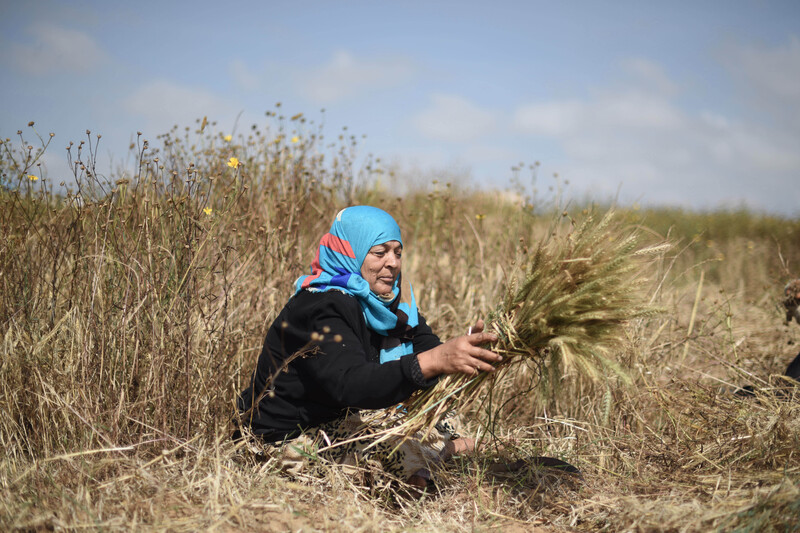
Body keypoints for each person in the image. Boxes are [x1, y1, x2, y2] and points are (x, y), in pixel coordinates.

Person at [235, 205, 502, 490]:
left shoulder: (390, 307)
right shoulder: (321, 306)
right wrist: (435, 361)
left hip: (344, 421)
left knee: (440, 416)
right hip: (286, 439)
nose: (393, 263)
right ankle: (441, 457)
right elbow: (351, 384)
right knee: (395, 448)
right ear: (352, 252)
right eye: (380, 252)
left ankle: (436, 454)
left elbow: (427, 350)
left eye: (398, 252)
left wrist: (470, 352)